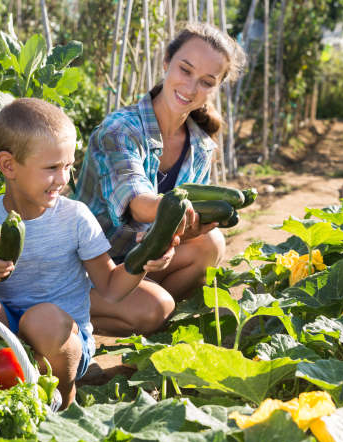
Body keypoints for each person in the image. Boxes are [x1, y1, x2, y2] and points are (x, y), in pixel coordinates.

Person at [0, 98, 176, 407]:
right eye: (52, 168)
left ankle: (64, 399)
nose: (63, 179)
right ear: (8, 165)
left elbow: (111, 287)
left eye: (68, 166)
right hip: (5, 337)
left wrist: (145, 259)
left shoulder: (75, 217)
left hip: (62, 341)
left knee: (42, 320)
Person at [73, 22, 246, 336]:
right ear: (166, 63)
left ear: (216, 87)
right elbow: (138, 205)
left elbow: (168, 231)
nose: (191, 88)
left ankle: (151, 324)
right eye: (185, 70)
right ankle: (47, 314)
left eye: (207, 81)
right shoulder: (121, 129)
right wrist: (174, 215)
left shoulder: (201, 146)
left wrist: (182, 232)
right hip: (85, 267)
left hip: (136, 260)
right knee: (156, 308)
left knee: (211, 243)